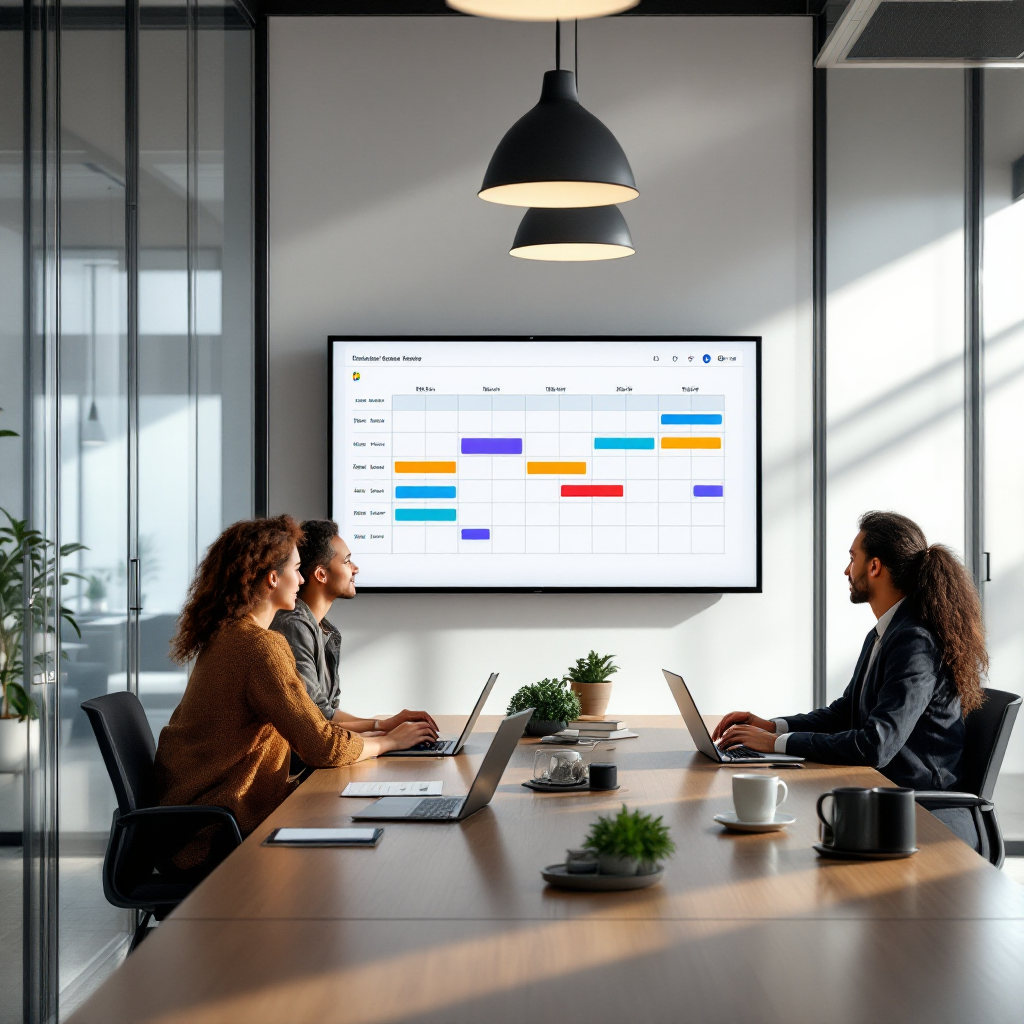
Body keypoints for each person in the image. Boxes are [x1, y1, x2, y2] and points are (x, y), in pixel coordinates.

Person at [154, 515, 437, 868]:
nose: (301, 580)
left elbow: (314, 727)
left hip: (197, 823)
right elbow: (323, 746)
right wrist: (390, 742)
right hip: (214, 835)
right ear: (273, 578)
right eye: (296, 570)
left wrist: (382, 733)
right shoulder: (260, 647)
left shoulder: (228, 636)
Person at [712, 511, 987, 797]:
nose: (847, 570)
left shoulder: (915, 641)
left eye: (853, 558)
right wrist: (773, 727)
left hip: (913, 803)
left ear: (874, 566)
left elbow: (877, 745)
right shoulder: (885, 633)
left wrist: (775, 744)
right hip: (876, 787)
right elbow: (845, 713)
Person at [271, 519, 437, 739]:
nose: (355, 568)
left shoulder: (326, 631)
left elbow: (331, 714)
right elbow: (318, 718)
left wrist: (385, 728)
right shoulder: (294, 627)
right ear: (321, 575)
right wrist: (385, 733)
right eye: (347, 561)